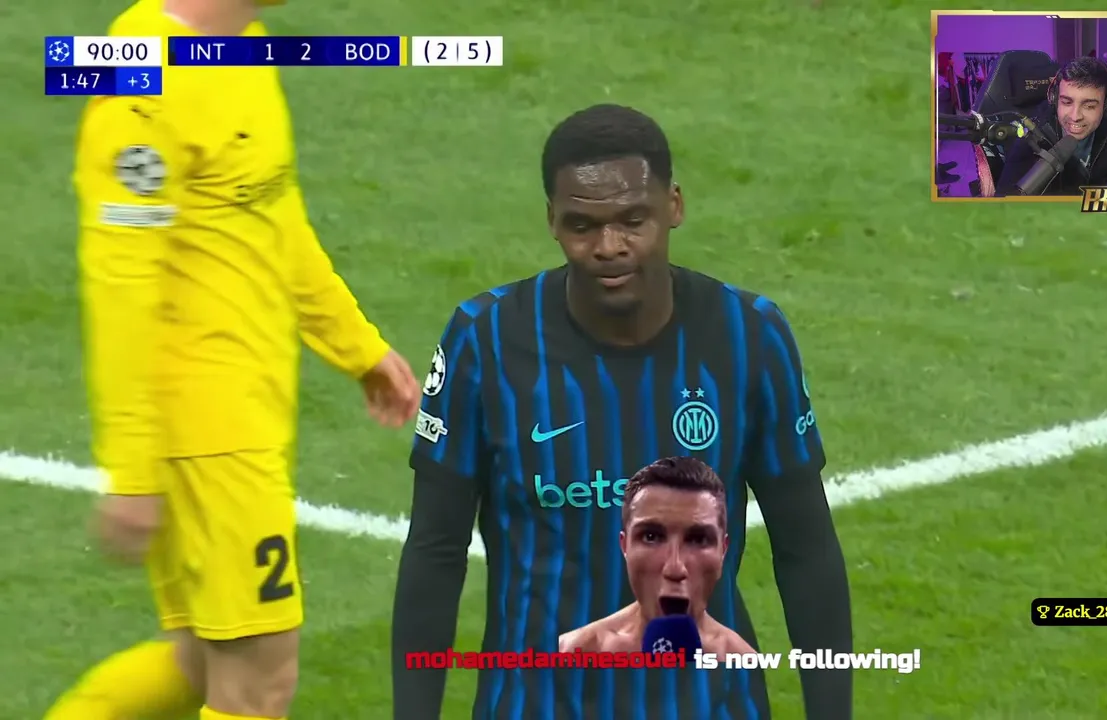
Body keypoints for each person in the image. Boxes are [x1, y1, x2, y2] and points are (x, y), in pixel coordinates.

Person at [391, 103, 852, 720]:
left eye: (633, 221)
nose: (609, 247)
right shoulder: (485, 341)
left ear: (674, 207)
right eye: (583, 225)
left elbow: (805, 547)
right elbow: (435, 551)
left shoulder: (749, 337)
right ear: (552, 221)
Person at [46, 1, 420, 719]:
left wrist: (356, 344)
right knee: (259, 683)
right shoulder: (141, 84)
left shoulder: (240, 42)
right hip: (207, 436)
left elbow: (274, 214)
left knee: (197, 659)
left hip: (248, 409)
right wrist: (132, 471)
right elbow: (120, 289)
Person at [557, 457, 756, 656]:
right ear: (625, 546)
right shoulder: (570, 654)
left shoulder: (741, 664)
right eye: (651, 537)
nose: (675, 568)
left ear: (723, 551)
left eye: (698, 539)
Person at [996, 57, 1107, 197]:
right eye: (1067, 103)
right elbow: (1004, 202)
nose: (1075, 116)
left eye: (1089, 106)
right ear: (1055, 99)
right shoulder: (1031, 138)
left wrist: (1100, 206)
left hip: (1090, 208)